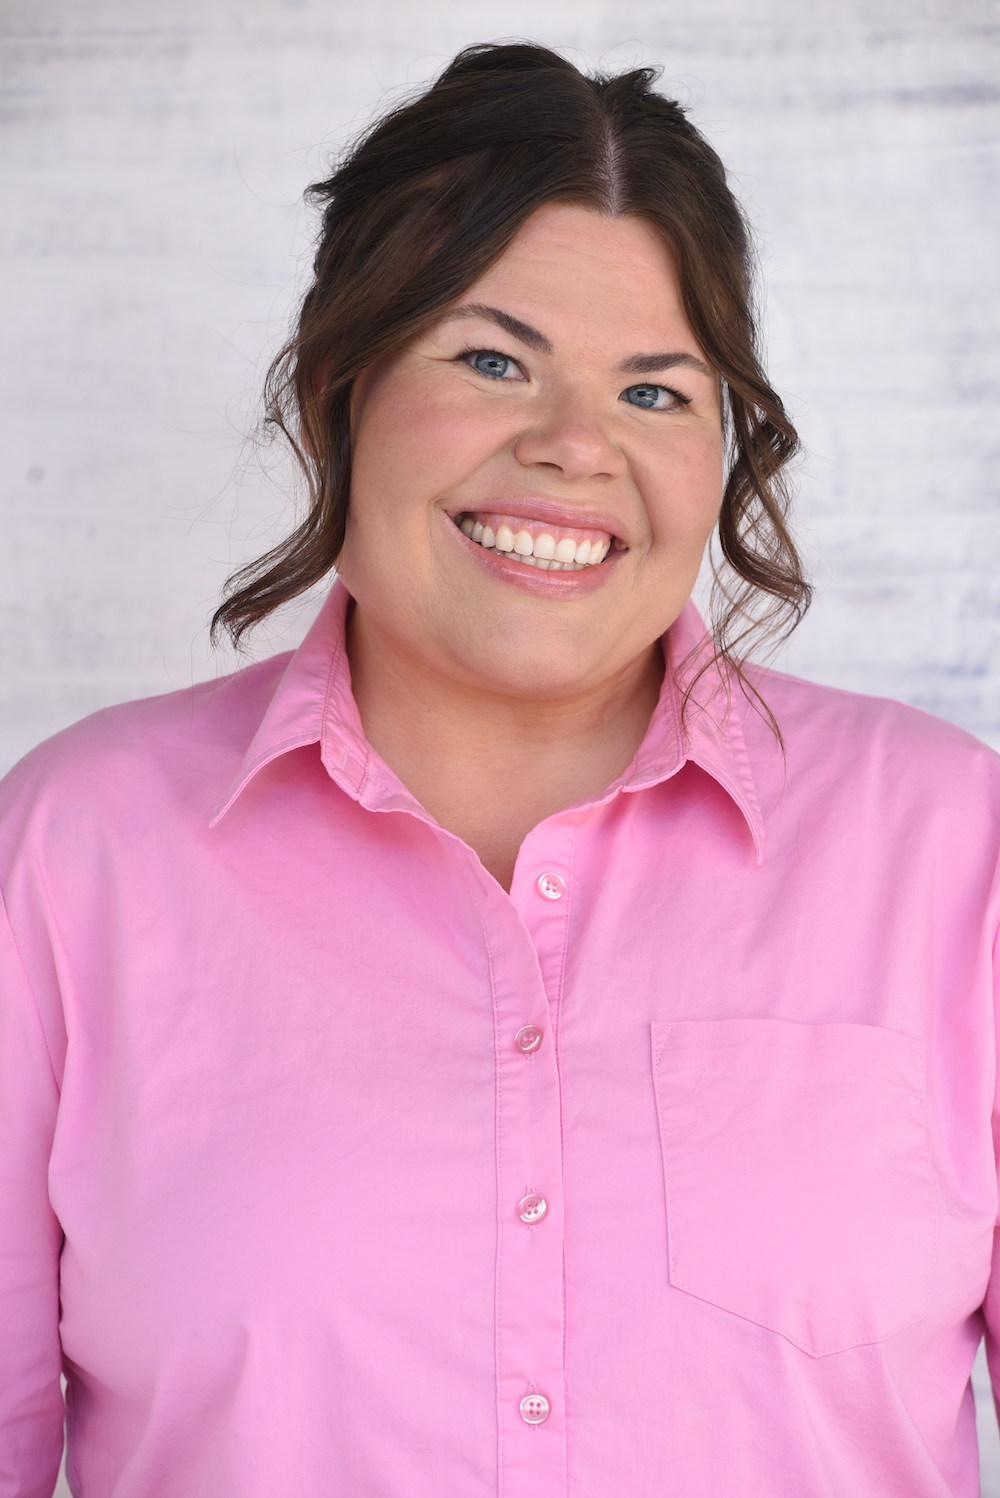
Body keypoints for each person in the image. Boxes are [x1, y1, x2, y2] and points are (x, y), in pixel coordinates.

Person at [1, 40, 997, 1498]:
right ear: (341, 387)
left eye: (657, 393)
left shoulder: (956, 848)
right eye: (492, 361)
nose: (574, 447)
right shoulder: (71, 853)